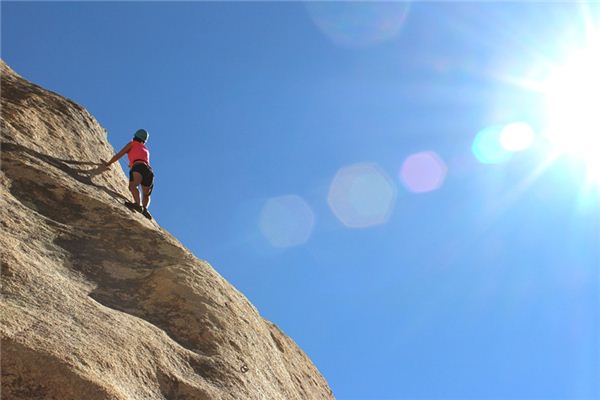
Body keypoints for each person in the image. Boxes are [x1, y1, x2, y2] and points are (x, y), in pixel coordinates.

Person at [102, 129, 154, 219]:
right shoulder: (145, 149)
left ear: (135, 137)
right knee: (146, 194)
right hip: (148, 170)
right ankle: (145, 209)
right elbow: (141, 158)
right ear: (144, 140)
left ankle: (138, 205)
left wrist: (108, 163)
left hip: (138, 167)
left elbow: (119, 155)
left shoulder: (132, 144)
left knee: (133, 186)